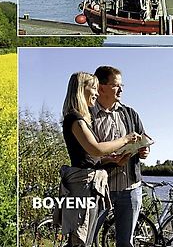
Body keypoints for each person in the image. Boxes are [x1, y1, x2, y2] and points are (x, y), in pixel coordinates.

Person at [60, 72, 141, 247]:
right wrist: (125, 139)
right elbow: (95, 149)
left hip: (89, 184)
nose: (96, 94)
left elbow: (89, 158)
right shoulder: (75, 118)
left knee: (85, 239)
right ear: (82, 89)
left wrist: (110, 160)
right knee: (80, 240)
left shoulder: (79, 118)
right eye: (94, 88)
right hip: (83, 186)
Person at [91, 65, 150, 247]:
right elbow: (86, 154)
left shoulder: (130, 113)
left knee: (126, 243)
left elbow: (144, 138)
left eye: (121, 85)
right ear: (101, 87)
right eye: (116, 85)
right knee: (87, 238)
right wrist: (108, 160)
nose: (121, 89)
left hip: (130, 189)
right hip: (99, 190)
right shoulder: (87, 116)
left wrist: (144, 150)